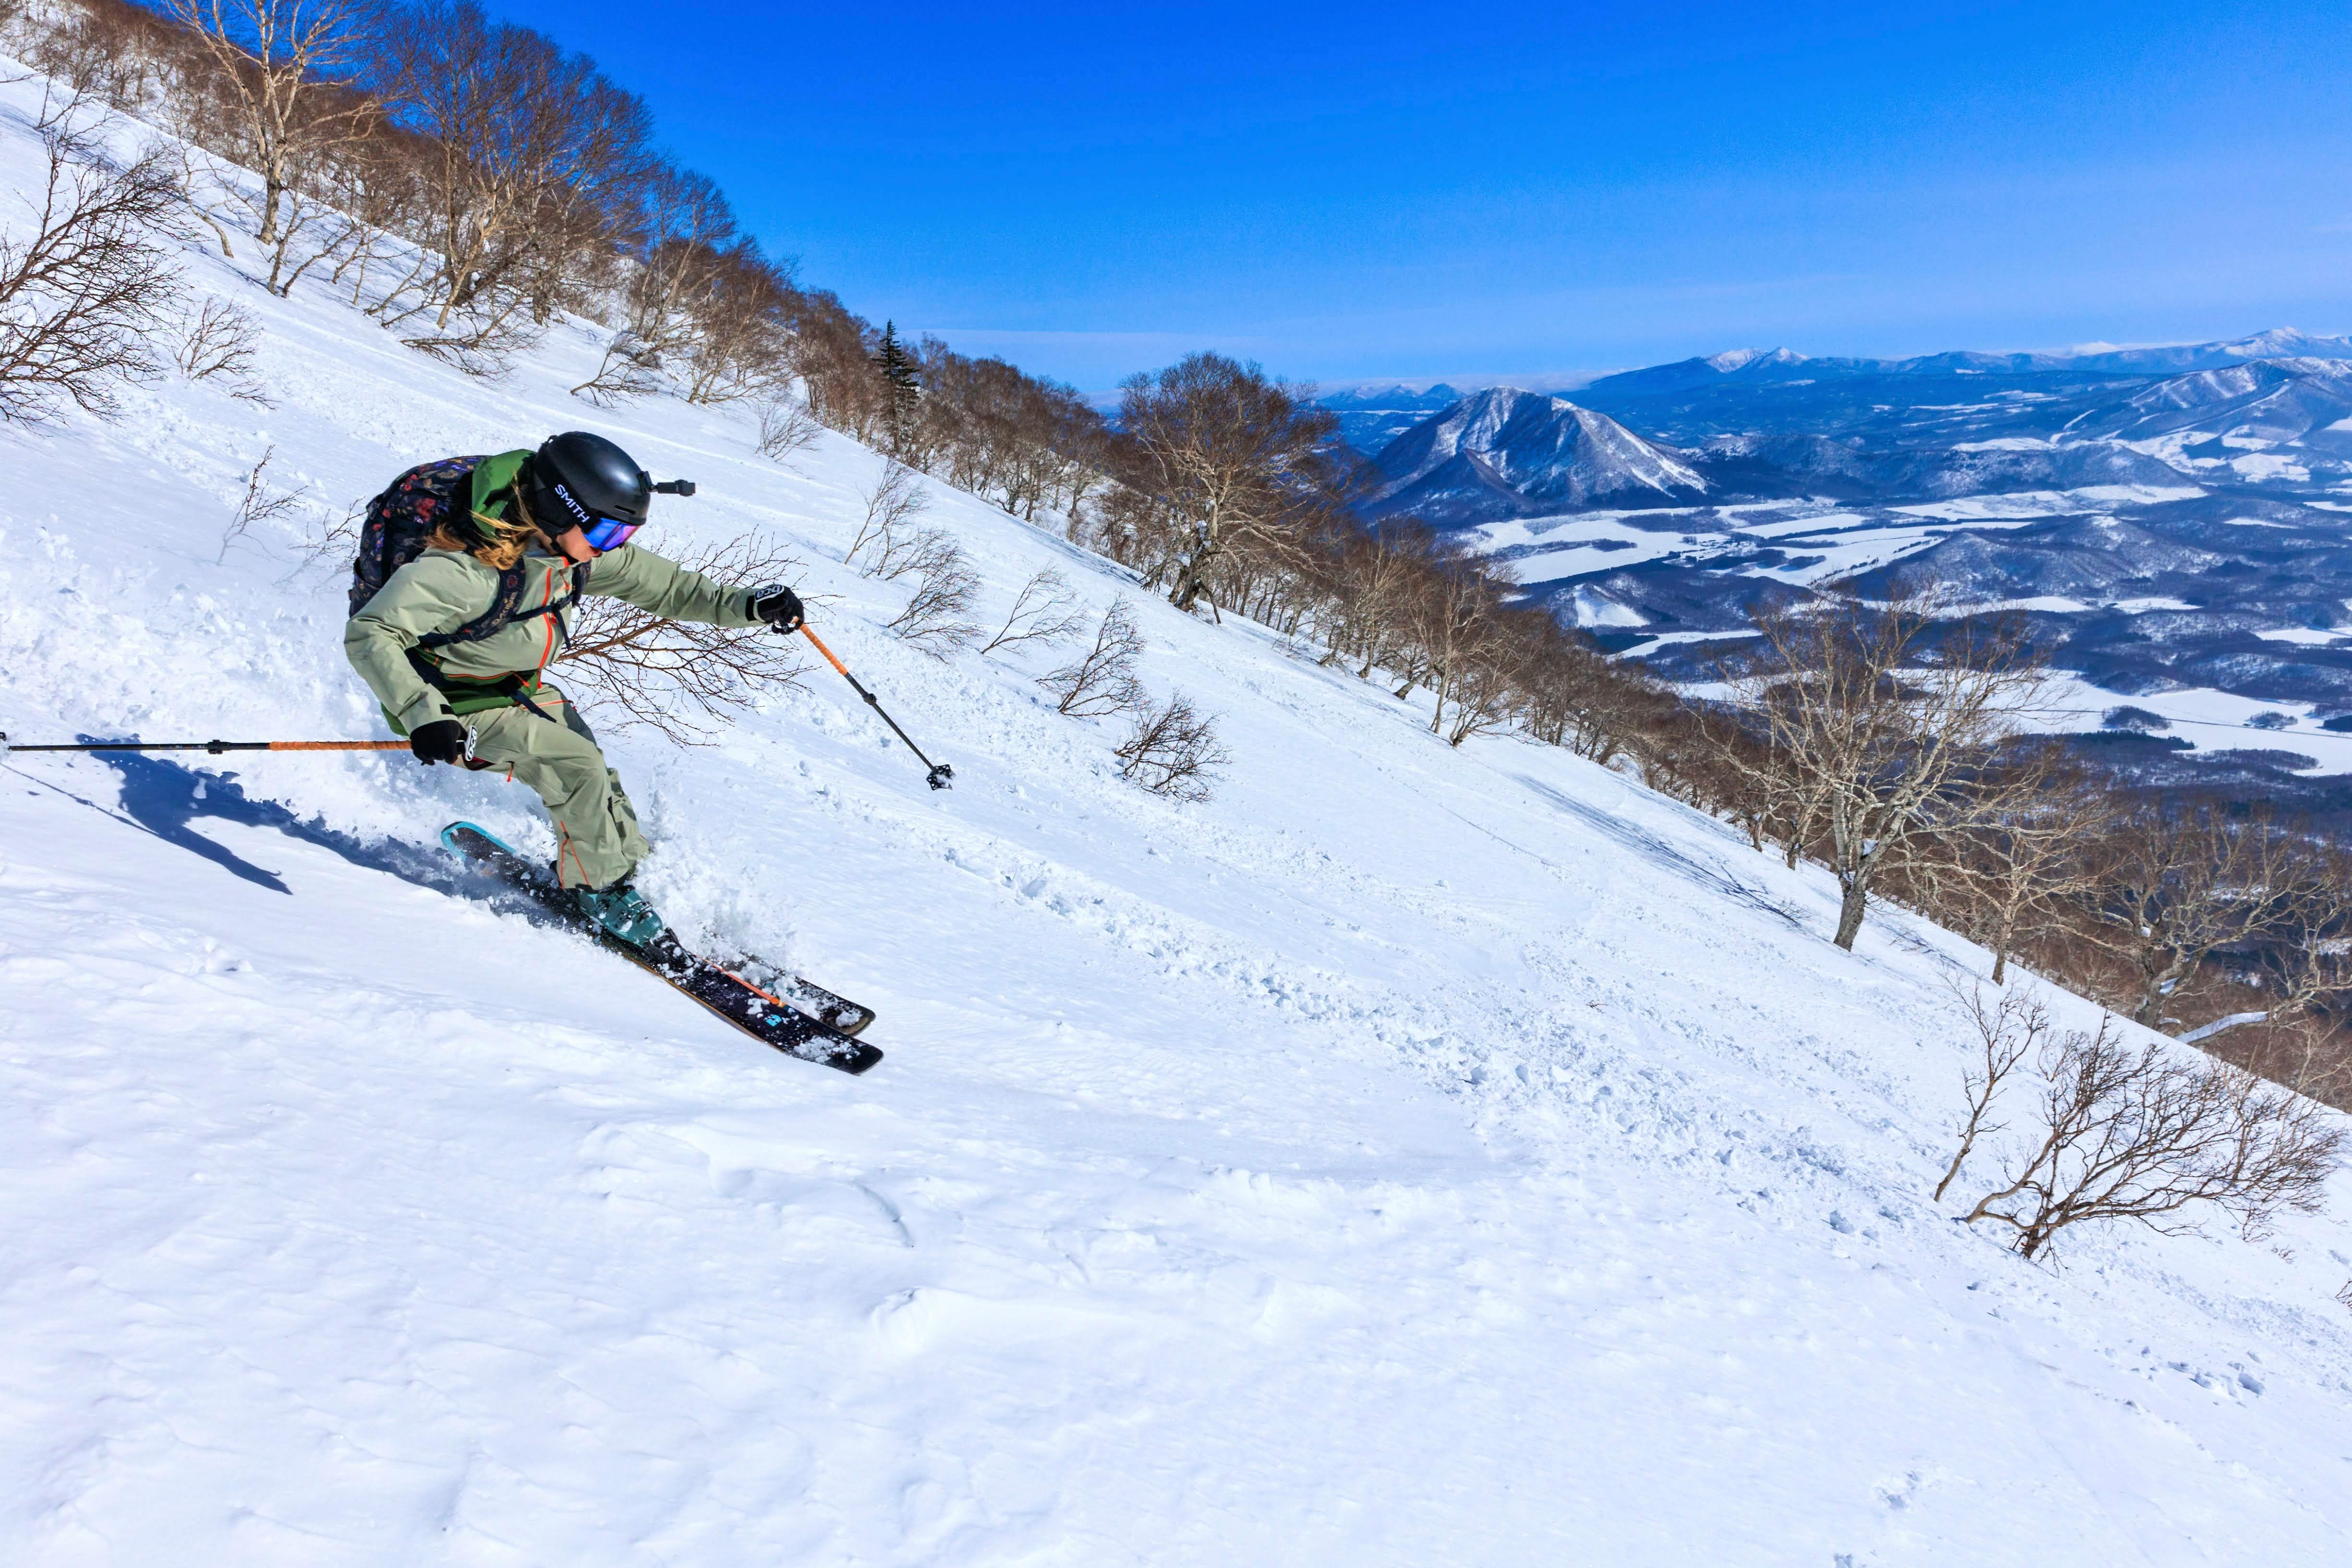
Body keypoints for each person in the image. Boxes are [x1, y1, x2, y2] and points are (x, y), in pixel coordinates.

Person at [344, 432, 804, 946]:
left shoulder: (572, 552)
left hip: (510, 688)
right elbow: (372, 633)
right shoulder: (464, 573)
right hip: (449, 705)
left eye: (624, 533)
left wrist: (748, 605)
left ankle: (626, 868)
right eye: (607, 531)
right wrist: (424, 714)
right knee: (574, 765)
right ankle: (599, 889)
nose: (614, 546)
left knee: (591, 766)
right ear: (559, 512)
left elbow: (671, 588)